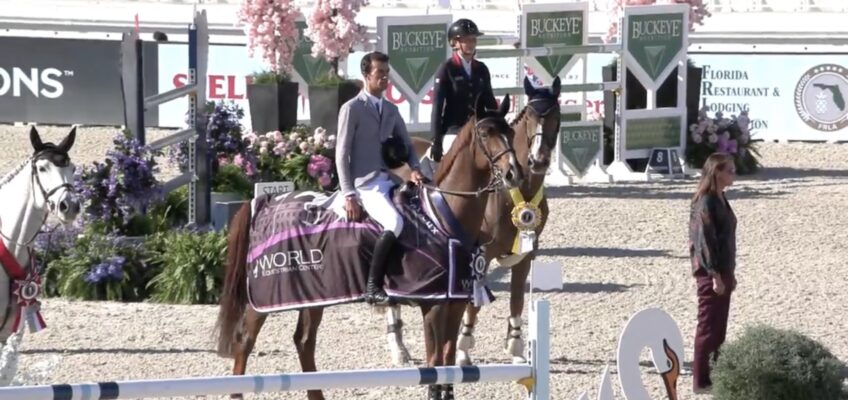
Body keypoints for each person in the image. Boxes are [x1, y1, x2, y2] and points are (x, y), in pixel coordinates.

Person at [336, 51, 426, 306]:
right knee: (395, 222)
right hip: (364, 185)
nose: (385, 79)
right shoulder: (352, 109)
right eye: (380, 74)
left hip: (388, 179)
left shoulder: (390, 109)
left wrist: (416, 168)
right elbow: (341, 154)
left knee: (421, 210)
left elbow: (407, 145)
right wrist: (349, 194)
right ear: (366, 76)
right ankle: (372, 286)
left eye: (387, 74)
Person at [688, 152, 738, 393]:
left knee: (720, 328)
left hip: (724, 270)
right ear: (717, 172)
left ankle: (716, 376)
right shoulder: (705, 202)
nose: (733, 174)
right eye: (729, 170)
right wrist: (715, 274)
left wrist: (730, 272)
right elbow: (704, 241)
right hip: (711, 273)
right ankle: (701, 380)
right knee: (707, 327)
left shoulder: (721, 199)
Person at [427, 18, 499, 167]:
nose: (471, 44)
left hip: (480, 130)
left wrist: (499, 124)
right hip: (454, 130)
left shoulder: (481, 69)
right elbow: (437, 107)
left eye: (473, 40)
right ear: (455, 43)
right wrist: (436, 140)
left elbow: (490, 102)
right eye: (467, 40)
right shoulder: (446, 69)